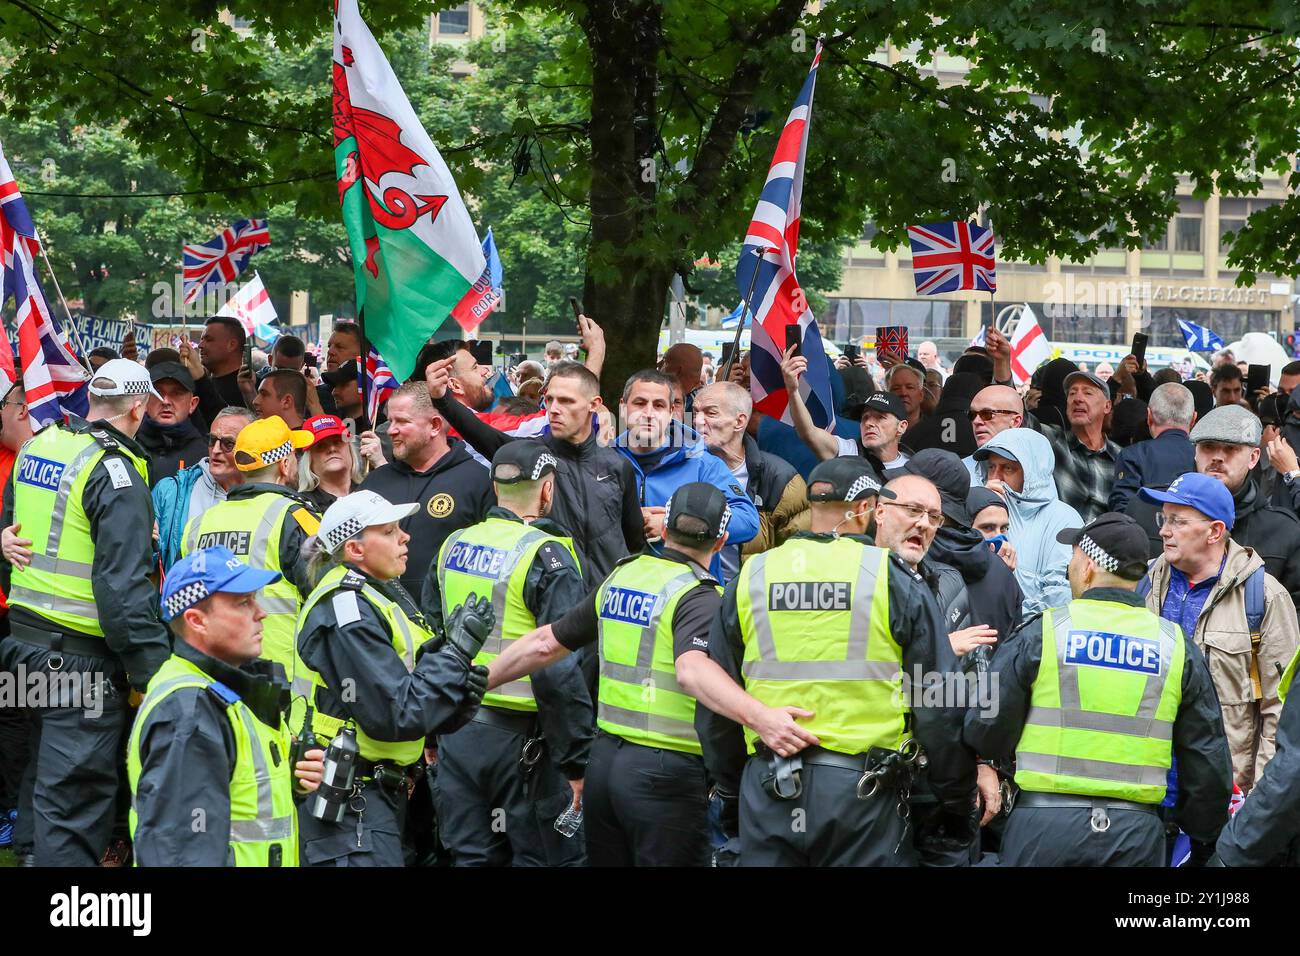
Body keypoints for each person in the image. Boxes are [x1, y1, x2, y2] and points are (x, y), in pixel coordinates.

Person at [485, 482, 815, 866]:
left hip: (605, 764)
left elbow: (545, 643)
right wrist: (764, 719)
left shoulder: (624, 576)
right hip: (665, 778)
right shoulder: (701, 597)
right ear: (722, 540)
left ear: (665, 529)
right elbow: (691, 670)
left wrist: (474, 681)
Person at [704, 457, 975, 866]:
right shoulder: (889, 575)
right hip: (861, 794)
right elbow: (937, 701)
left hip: (768, 785)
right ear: (866, 508)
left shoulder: (753, 573)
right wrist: (956, 798)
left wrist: (730, 787)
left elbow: (718, 699)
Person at [964, 513, 1232, 866]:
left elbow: (986, 727)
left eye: (1073, 557)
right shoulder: (1175, 646)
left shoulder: (1044, 633)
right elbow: (1207, 758)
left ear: (1088, 565)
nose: (1070, 567)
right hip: (1136, 834)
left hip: (1045, 829)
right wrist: (1203, 837)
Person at [0, 360, 171, 866]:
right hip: (79, 662)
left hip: (25, 647)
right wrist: (153, 672)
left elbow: (10, 538)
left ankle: (33, 855)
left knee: (43, 776)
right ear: (138, 407)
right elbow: (123, 590)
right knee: (74, 796)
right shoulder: (113, 471)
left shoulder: (40, 445)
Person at [292, 491, 494, 866]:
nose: (405, 537)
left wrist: (459, 696)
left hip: (383, 798)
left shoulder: (381, 597)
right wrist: (453, 656)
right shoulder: (345, 609)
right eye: (388, 531)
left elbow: (416, 700)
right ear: (355, 549)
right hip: (351, 805)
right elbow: (395, 713)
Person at [424, 442, 593, 866]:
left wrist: (429, 727)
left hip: (457, 734)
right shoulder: (546, 554)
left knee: (472, 857)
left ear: (495, 487)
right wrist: (576, 761)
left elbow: (428, 642)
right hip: (524, 747)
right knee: (545, 858)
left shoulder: (454, 545)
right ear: (547, 491)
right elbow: (557, 666)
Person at [128, 547, 326, 866]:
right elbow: (180, 853)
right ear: (197, 620)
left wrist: (288, 782)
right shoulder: (190, 711)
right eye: (243, 603)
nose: (261, 613)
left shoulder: (226, 690)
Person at [1137, 474, 1300, 791]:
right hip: (1143, 789)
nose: (1163, 530)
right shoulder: (1141, 583)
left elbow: (1280, 711)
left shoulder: (1264, 598)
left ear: (1215, 531)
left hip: (1220, 795)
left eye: (1177, 521)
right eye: (1163, 518)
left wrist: (1257, 802)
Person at [428, 358, 644, 587]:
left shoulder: (618, 466)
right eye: (549, 399)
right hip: (555, 600)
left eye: (566, 401)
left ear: (594, 404)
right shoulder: (531, 454)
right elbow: (484, 435)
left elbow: (635, 544)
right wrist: (442, 401)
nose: (554, 409)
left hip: (606, 604)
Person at [180, 416, 320, 673]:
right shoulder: (296, 518)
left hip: (214, 673)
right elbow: (327, 593)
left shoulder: (199, 525)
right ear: (285, 464)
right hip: (281, 675)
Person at [613, 370, 758, 583]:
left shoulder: (702, 463)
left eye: (659, 405)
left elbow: (747, 521)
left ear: (672, 412)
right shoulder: (605, 460)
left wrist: (673, 523)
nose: (649, 413)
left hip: (688, 597)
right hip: (621, 594)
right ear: (623, 407)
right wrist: (629, 518)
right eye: (640, 403)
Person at [357, 382, 494, 601]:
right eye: (390, 421)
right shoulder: (374, 483)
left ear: (435, 426)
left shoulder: (478, 481)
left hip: (452, 620)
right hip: (382, 622)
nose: (391, 430)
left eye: (402, 421)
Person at [903, 450, 1023, 653]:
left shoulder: (912, 560)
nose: (998, 536)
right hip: (986, 682)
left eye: (1004, 529)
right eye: (987, 528)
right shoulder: (1001, 572)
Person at [1183, 405, 1300, 610]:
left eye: (1230, 448)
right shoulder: (1159, 514)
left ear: (1254, 458)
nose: (1218, 457)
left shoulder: (1283, 531)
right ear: (1195, 452)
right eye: (1208, 446)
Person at [692, 381, 808, 575]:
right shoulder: (681, 468)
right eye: (695, 412)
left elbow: (799, 555)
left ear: (739, 421)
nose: (697, 421)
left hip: (751, 597)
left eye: (710, 413)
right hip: (693, 592)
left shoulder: (780, 479)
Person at [974, 428, 1083, 615]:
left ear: (1033, 471)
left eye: (1007, 468)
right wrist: (980, 509)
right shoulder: (976, 508)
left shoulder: (1063, 519)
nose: (995, 477)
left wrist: (1009, 622)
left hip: (1031, 637)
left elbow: (1059, 596)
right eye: (991, 467)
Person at [784, 338, 911, 472]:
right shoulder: (848, 451)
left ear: (901, 427)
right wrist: (792, 391)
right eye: (865, 417)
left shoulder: (914, 466)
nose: (869, 423)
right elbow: (808, 432)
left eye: (880, 417)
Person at [153, 406, 255, 572]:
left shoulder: (264, 497)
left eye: (228, 444)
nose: (215, 450)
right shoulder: (171, 491)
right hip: (186, 596)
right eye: (212, 440)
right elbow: (144, 562)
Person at [1031, 369, 1120, 523]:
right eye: (1072, 393)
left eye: (1088, 393)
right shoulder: (1052, 440)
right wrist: (1003, 367)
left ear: (1107, 406)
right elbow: (1015, 416)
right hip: (1059, 541)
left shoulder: (1121, 457)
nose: (1077, 399)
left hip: (1104, 543)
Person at [136, 361, 209, 485]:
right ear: (144, 400)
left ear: (192, 404)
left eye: (177, 393)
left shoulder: (205, 456)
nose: (165, 401)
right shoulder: (130, 446)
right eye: (158, 392)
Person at [183, 317, 253, 425]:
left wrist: (200, 376)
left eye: (209, 339)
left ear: (232, 345)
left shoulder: (253, 386)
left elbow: (228, 425)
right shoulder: (196, 384)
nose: (200, 345)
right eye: (201, 339)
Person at [299, 414, 363, 512]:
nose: (332, 449)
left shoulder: (370, 489)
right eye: (321, 446)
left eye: (337, 442)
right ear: (309, 461)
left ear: (350, 449)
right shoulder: (304, 507)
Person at [962, 384, 1025, 476]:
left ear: (1015, 421)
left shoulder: (1037, 469)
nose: (976, 421)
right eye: (972, 415)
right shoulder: (958, 472)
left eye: (987, 414)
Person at [660, 342, 705, 417]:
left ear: (677, 370)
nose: (658, 365)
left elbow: (686, 427)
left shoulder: (692, 405)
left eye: (665, 361)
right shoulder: (698, 397)